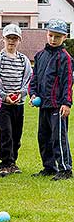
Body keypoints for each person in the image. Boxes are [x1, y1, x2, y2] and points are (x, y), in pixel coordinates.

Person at [29, 18, 74, 181]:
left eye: (57, 37)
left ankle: (65, 168)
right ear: (46, 34)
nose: (53, 39)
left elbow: (68, 82)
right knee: (43, 136)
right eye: (51, 35)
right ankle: (49, 167)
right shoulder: (40, 56)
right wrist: (33, 94)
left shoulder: (65, 58)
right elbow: (34, 79)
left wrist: (66, 103)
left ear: (64, 37)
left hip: (58, 106)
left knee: (58, 137)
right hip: (43, 105)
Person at [0, 24, 32, 177]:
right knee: (6, 133)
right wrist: (4, 95)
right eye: (8, 38)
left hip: (18, 104)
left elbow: (28, 81)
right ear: (3, 39)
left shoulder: (24, 60)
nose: (11, 41)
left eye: (15, 38)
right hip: (3, 105)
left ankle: (13, 162)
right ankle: (5, 164)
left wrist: (21, 93)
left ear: (19, 40)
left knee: (17, 135)